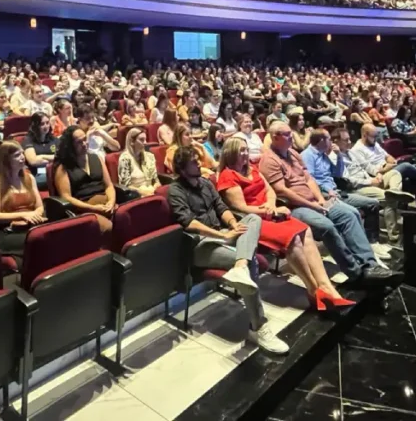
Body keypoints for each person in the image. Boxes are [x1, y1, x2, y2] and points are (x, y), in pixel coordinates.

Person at [166, 146, 289, 354]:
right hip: (201, 245)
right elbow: (188, 223)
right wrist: (223, 236)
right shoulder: (175, 190)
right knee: (251, 261)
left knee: (252, 219)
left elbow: (221, 208)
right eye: (194, 162)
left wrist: (233, 225)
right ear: (183, 169)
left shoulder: (206, 183)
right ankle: (258, 327)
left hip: (223, 234)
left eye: (198, 160)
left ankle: (239, 265)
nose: (199, 163)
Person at [216, 138, 354, 311]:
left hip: (271, 213)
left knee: (305, 231)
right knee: (293, 239)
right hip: (254, 222)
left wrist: (272, 205)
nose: (245, 153)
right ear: (230, 153)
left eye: (246, 149)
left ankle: (327, 288)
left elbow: (270, 191)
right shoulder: (227, 176)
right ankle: (314, 290)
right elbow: (241, 208)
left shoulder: (252, 168)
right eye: (240, 150)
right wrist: (268, 210)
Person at [260, 122, 401, 286]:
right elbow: (283, 192)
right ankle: (356, 273)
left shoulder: (293, 153)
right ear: (275, 137)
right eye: (287, 135)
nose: (292, 137)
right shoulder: (269, 160)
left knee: (349, 215)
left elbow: (308, 179)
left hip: (315, 200)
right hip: (296, 207)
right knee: (327, 226)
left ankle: (370, 265)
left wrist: (319, 199)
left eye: (291, 133)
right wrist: (313, 205)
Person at [300, 129, 390, 260]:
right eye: (329, 139)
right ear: (321, 141)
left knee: (373, 204)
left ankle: (372, 242)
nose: (331, 142)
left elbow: (337, 174)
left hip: (336, 191)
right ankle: (359, 250)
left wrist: (339, 156)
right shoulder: (307, 155)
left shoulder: (323, 154)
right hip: (324, 194)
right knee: (352, 212)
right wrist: (327, 190)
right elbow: (310, 180)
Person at [332, 127, 416, 244]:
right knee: (389, 198)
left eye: (349, 139)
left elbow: (367, 166)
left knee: (394, 173)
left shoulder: (350, 152)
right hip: (359, 188)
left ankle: (394, 191)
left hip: (370, 179)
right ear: (335, 142)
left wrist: (377, 174)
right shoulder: (335, 158)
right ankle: (393, 233)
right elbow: (347, 181)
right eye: (346, 140)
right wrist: (370, 182)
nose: (349, 142)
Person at [0, 141, 47, 259]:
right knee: (39, 242)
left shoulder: (29, 177)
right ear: (6, 160)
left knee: (53, 237)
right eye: (17, 155)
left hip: (32, 225)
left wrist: (35, 215)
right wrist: (25, 215)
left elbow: (40, 207)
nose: (23, 157)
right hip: (9, 231)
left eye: (22, 153)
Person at [53, 126, 117, 234]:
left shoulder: (96, 158)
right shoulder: (63, 167)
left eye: (85, 139)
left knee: (126, 220)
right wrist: (92, 208)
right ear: (71, 146)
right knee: (109, 227)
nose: (84, 144)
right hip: (84, 208)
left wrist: (111, 202)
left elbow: (109, 185)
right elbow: (66, 197)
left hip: (105, 203)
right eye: (79, 142)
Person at [116, 127, 160, 196]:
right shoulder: (125, 159)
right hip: (136, 195)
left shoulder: (149, 156)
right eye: (141, 140)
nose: (145, 143)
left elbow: (155, 180)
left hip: (151, 191)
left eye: (145, 139)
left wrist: (155, 187)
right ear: (132, 142)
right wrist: (141, 192)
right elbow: (125, 186)